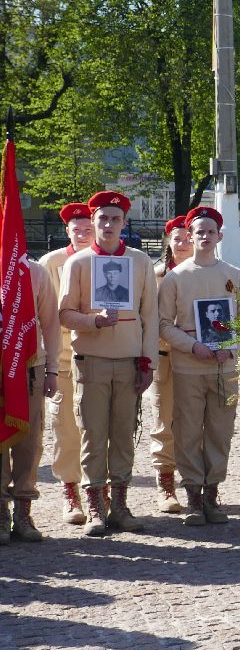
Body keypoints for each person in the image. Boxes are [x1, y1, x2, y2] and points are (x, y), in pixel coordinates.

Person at [57, 190, 159, 536]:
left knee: (124, 436)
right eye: (103, 219)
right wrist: (93, 321)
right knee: (93, 435)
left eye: (116, 219)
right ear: (93, 222)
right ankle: (95, 507)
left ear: (124, 224)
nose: (109, 225)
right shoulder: (79, 262)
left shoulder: (141, 262)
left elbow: (151, 315)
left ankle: (120, 505)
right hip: (92, 362)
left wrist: (148, 362)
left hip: (129, 361)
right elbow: (64, 314)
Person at [157, 207, 240, 526]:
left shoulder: (235, 276)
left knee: (220, 432)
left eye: (210, 231)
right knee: (188, 430)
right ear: (189, 236)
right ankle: (193, 493)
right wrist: (193, 345)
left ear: (219, 236)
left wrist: (230, 348)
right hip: (188, 368)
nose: (205, 236)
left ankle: (212, 493)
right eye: (199, 231)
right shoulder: (175, 278)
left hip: (224, 368)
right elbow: (164, 325)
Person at [39, 204, 96, 525]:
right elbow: (43, 314)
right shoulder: (52, 263)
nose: (84, 234)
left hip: (98, 355)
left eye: (89, 228)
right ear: (67, 231)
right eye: (78, 229)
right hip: (62, 359)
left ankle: (98, 490)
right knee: (66, 428)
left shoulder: (102, 262)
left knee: (100, 427)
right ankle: (70, 489)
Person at [0, 255, 59, 543]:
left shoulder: (35, 272)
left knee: (29, 442)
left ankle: (24, 510)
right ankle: (0, 511)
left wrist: (52, 370)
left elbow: (50, 324)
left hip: (29, 368)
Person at [150, 215, 194, 515]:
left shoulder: (204, 273)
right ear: (168, 242)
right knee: (163, 421)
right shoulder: (156, 275)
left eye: (187, 237)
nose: (183, 243)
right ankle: (166, 483)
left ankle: (195, 483)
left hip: (194, 356)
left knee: (194, 421)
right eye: (177, 238)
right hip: (164, 356)